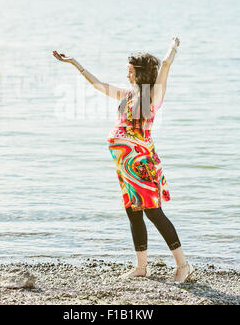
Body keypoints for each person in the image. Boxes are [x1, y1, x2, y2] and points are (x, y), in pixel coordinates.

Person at [52, 37, 195, 283]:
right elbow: (98, 84)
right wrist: (74, 63)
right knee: (133, 213)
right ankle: (141, 266)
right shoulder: (127, 94)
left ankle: (183, 265)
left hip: (141, 164)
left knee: (154, 213)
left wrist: (173, 46)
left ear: (139, 73)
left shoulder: (153, 94)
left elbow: (166, 64)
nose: (126, 75)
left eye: (129, 71)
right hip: (125, 166)